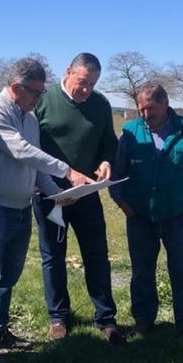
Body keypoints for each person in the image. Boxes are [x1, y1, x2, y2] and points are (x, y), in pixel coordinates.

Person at [0, 58, 86, 363]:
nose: (38, 99)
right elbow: (20, 149)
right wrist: (68, 170)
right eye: (34, 93)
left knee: (9, 275)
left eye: (41, 93)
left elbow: (34, 164)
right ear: (16, 87)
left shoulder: (30, 118)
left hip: (22, 207)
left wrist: (57, 193)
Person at [110, 83, 183, 347]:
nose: (145, 114)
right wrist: (122, 204)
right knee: (142, 272)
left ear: (166, 103)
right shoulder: (130, 133)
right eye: (141, 109)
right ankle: (143, 321)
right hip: (140, 216)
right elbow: (116, 172)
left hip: (179, 216)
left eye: (151, 108)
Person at [33, 53, 125, 344]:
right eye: (82, 82)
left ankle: (106, 318)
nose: (86, 89)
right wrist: (49, 186)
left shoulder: (100, 105)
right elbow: (29, 146)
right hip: (49, 194)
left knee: (96, 254)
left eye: (92, 84)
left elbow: (108, 142)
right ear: (68, 71)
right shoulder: (43, 99)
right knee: (53, 256)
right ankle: (58, 317)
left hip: (85, 193)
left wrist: (106, 161)